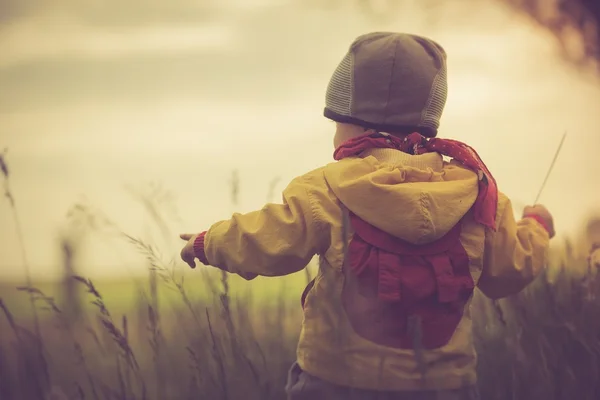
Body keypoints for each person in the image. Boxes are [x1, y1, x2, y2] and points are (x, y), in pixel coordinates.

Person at [179, 32, 555, 400]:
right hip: (444, 384)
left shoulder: (325, 189)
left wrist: (209, 242)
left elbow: (267, 239)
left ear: (353, 125)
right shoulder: (477, 193)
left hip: (335, 379)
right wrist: (536, 227)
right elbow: (511, 269)